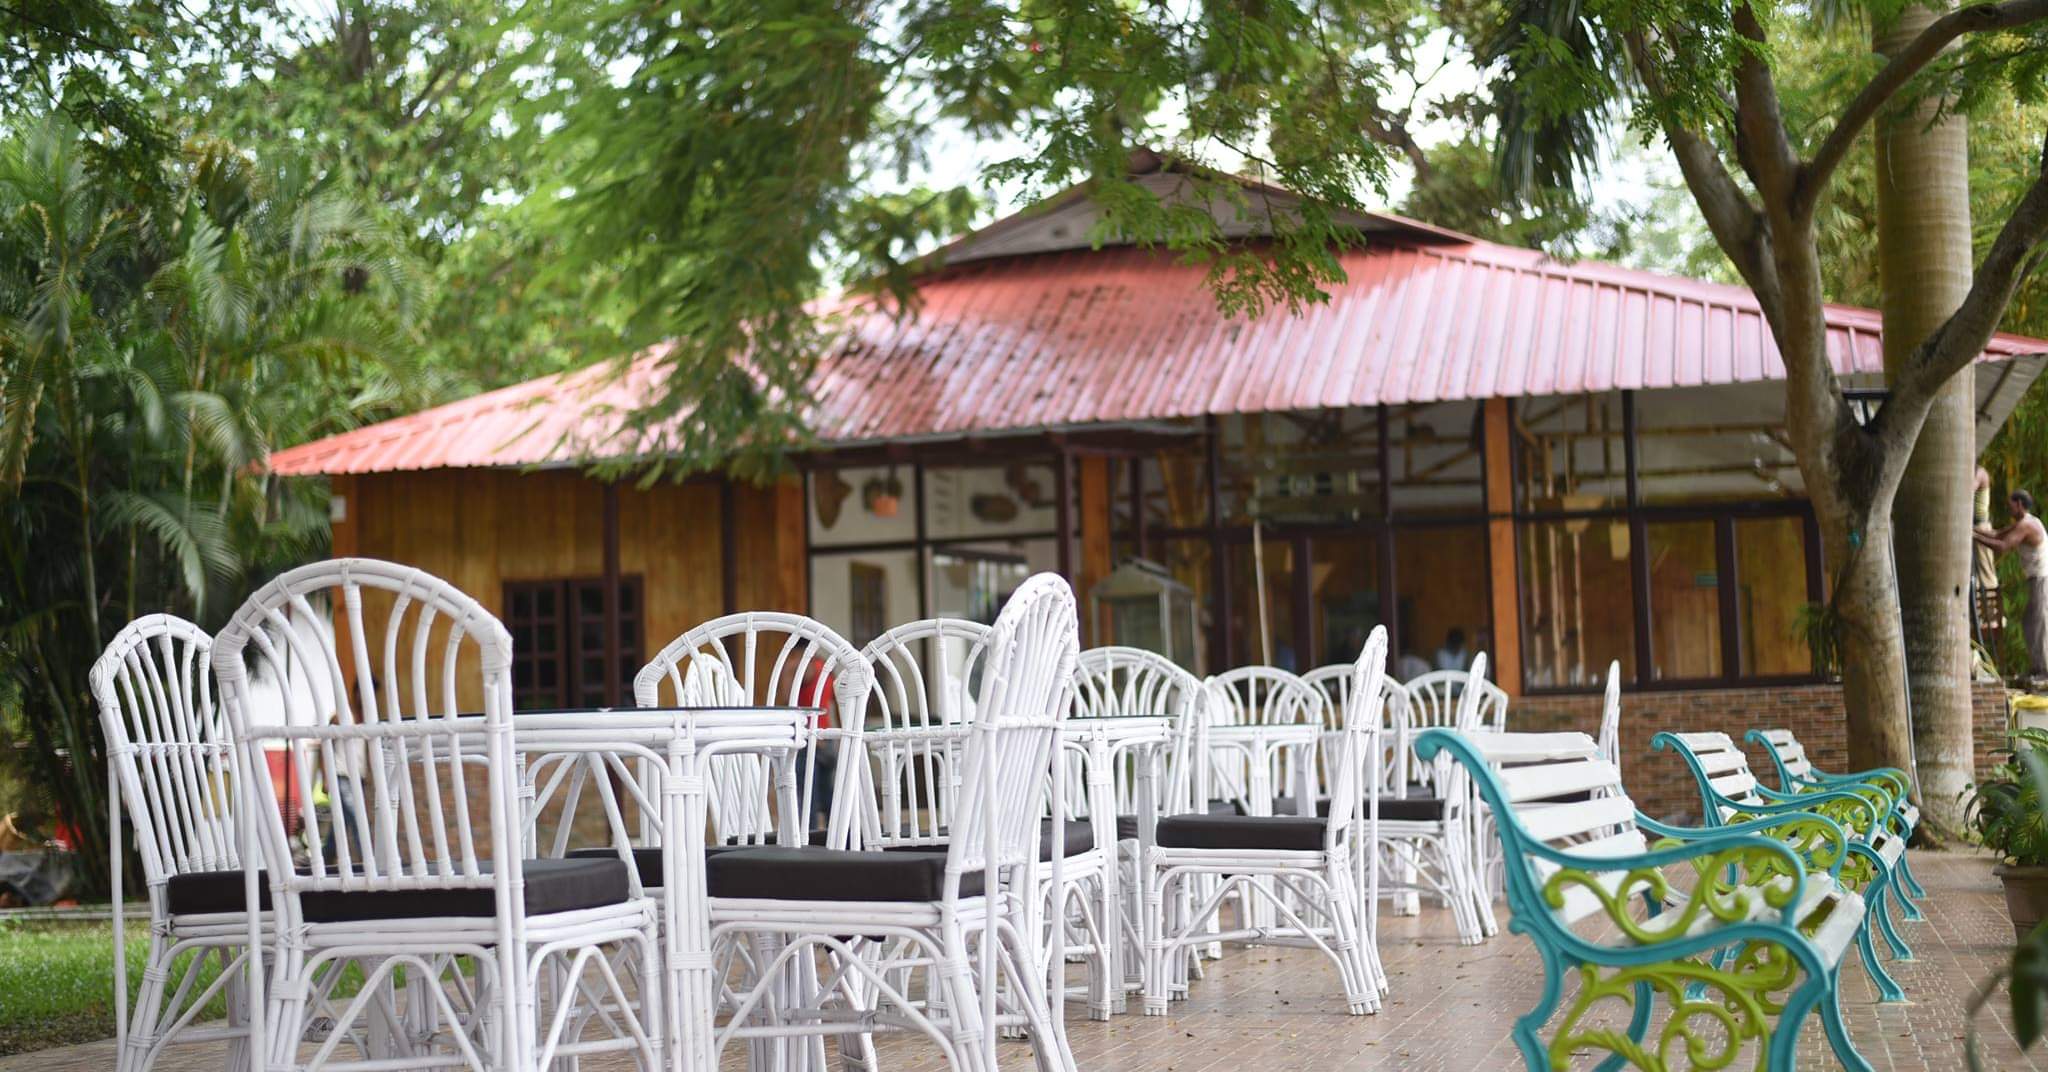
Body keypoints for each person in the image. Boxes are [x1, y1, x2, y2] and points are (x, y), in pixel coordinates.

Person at [1976, 489, 2048, 683]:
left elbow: (2002, 546)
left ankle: (2044, 671)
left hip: (2041, 579)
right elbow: (1998, 534)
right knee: (2029, 622)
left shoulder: (2027, 525)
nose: (2009, 508)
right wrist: (1973, 529)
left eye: (2011, 504)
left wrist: (1973, 537)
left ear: (2019, 504)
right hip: (2035, 579)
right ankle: (2037, 667)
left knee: (2038, 624)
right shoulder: (2023, 522)